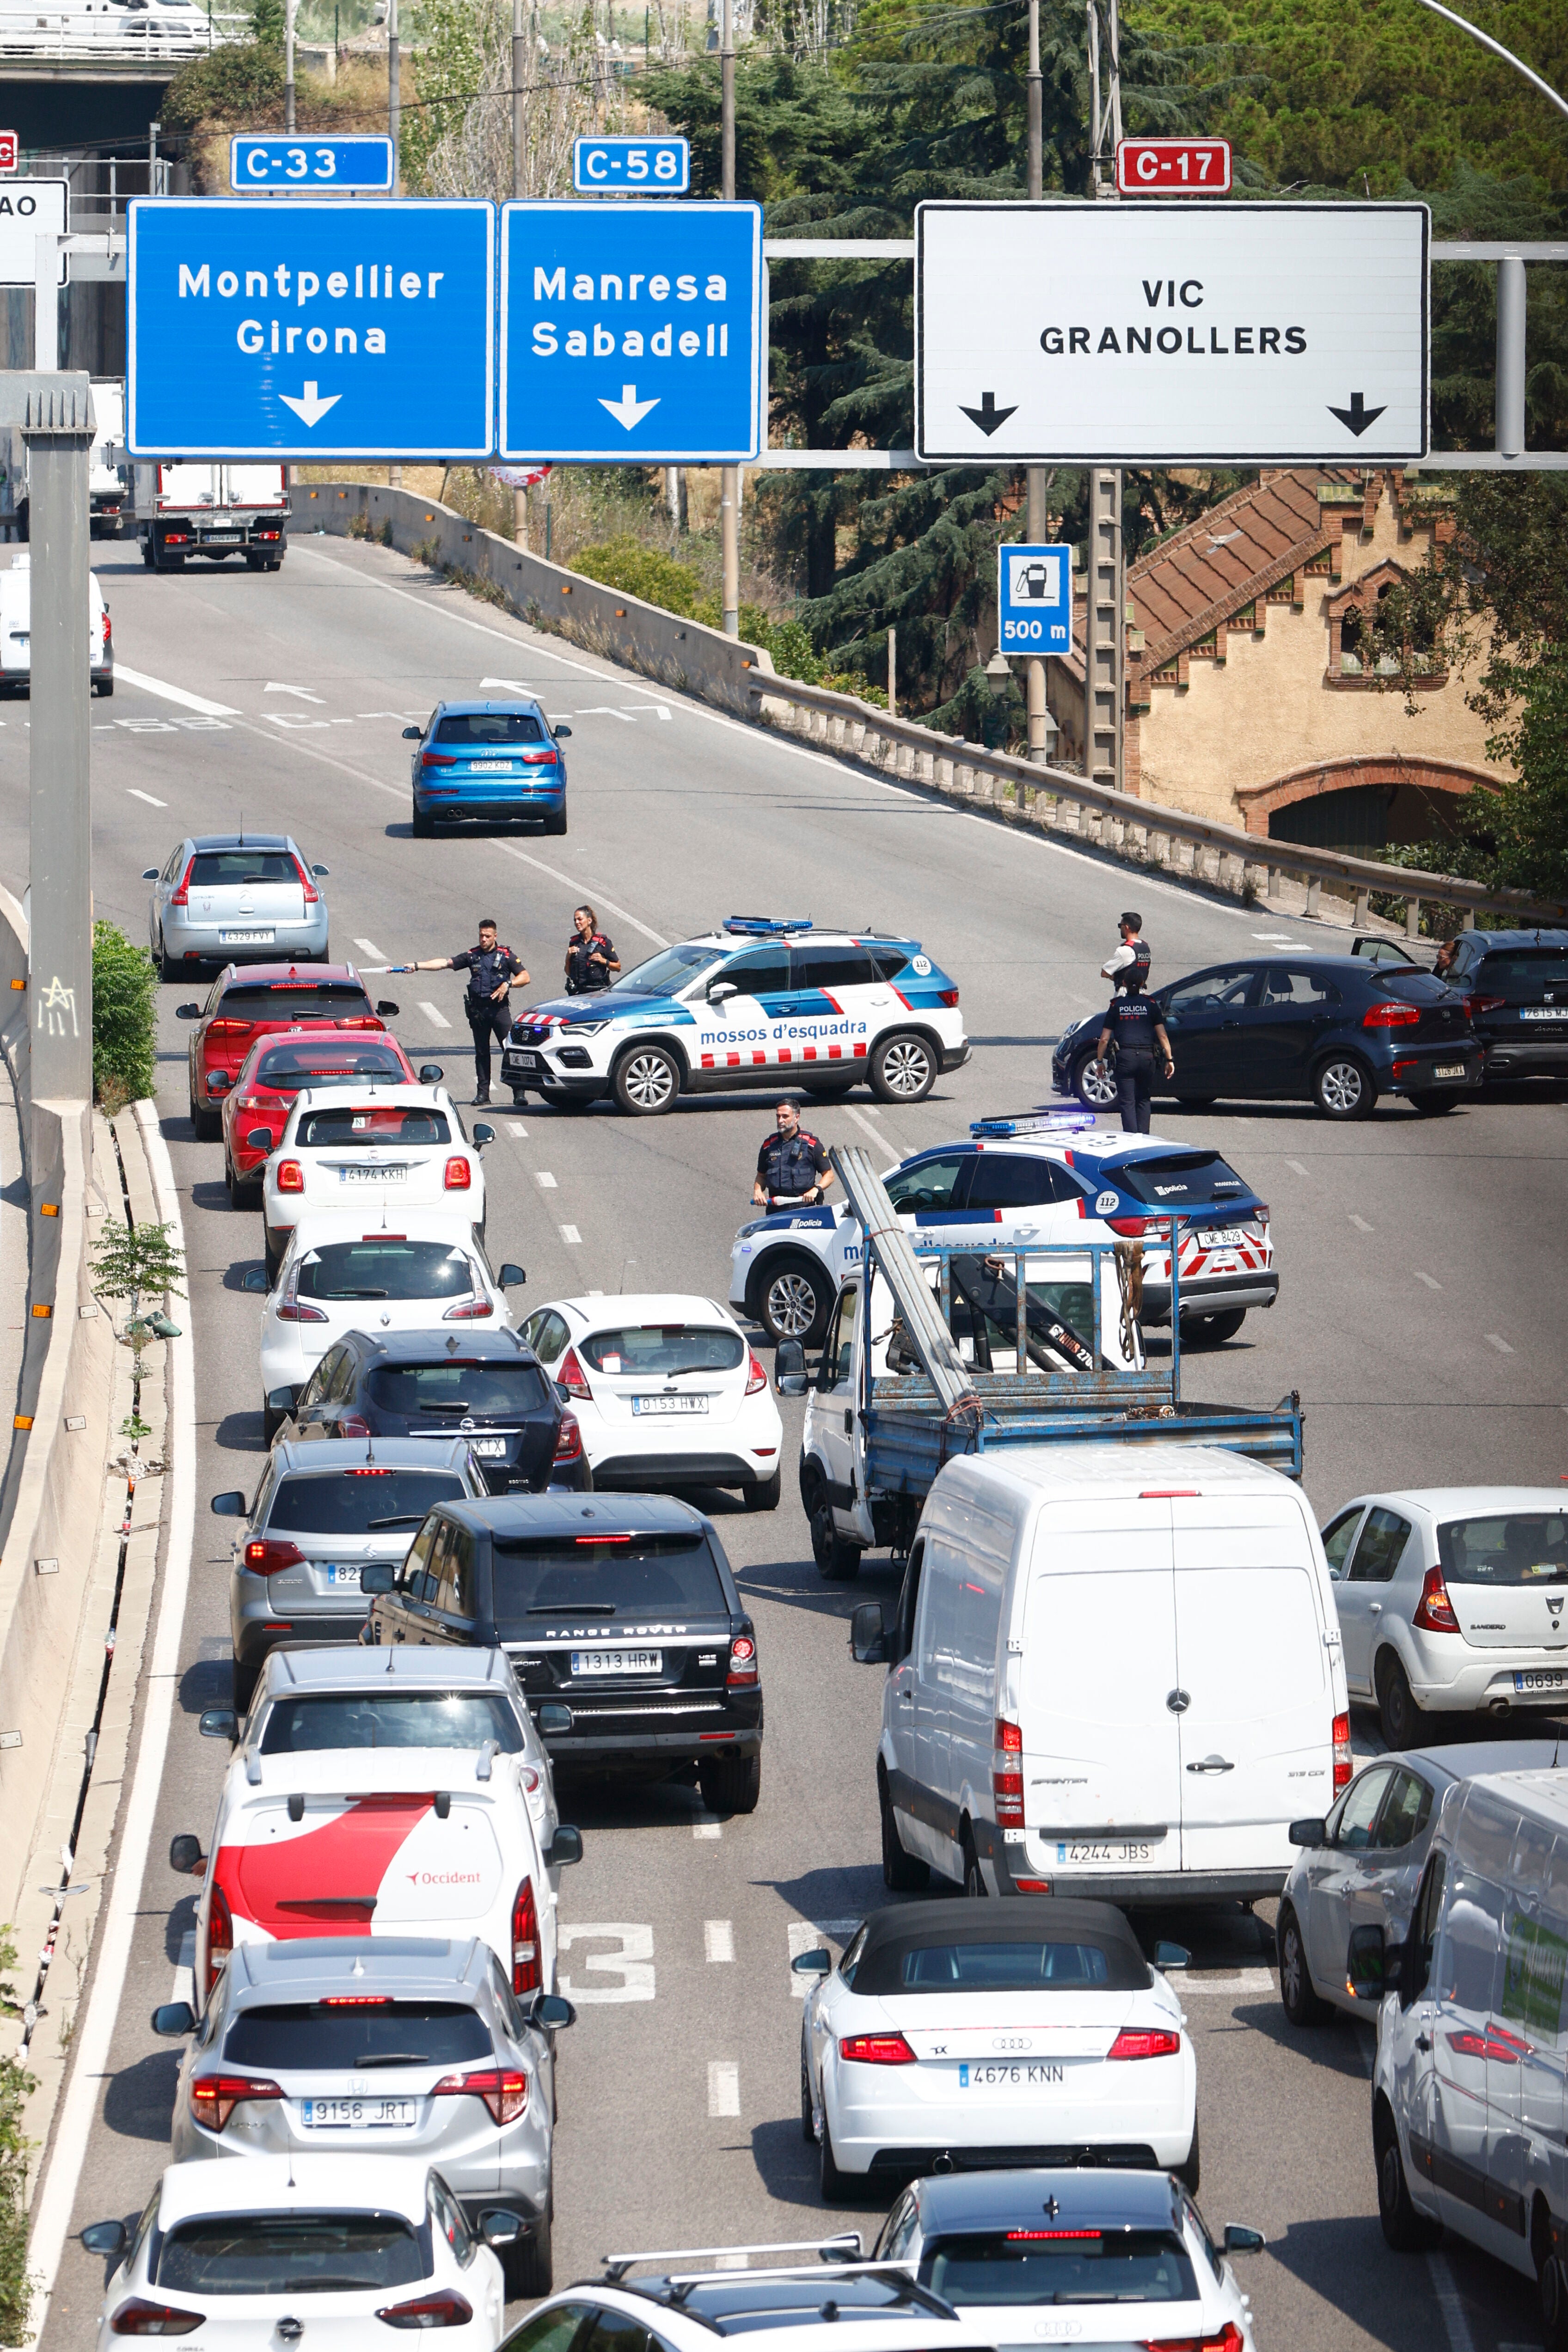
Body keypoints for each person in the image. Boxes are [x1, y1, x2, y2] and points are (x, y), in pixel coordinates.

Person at [401, 921, 529, 1105]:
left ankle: (519, 1093)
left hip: (500, 1011)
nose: (484, 939)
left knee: (510, 1051)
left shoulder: (506, 956)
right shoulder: (473, 956)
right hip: (479, 1012)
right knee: (482, 1053)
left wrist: (508, 984)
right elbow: (445, 963)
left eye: (487, 936)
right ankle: (483, 1094)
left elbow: (525, 977)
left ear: (495, 936)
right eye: (481, 936)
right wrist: (417, 965)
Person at [1092, 970, 1175, 1136]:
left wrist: (1100, 1062)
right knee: (1143, 1098)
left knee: (1127, 1101)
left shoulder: (1117, 1006)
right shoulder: (1151, 1004)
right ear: (1143, 983)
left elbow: (1104, 1039)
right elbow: (1163, 1035)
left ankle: (1130, 1138)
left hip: (1125, 1058)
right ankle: (1144, 1137)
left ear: (1124, 984)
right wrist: (1169, 1059)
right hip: (1147, 1058)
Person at [753, 1099, 834, 1209]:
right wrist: (758, 1191)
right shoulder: (768, 1146)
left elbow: (829, 1175)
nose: (780, 1120)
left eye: (785, 1116)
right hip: (776, 1210)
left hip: (804, 1209)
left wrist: (816, 1189)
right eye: (778, 1116)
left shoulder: (811, 1144)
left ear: (797, 1118)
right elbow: (761, 1176)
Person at [564, 905, 620, 995]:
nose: (577, 922)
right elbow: (568, 972)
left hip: (598, 993)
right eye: (575, 920)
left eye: (580, 919)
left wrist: (604, 961)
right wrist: (568, 957)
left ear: (589, 921)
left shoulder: (603, 942)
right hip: (579, 993)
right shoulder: (574, 943)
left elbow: (618, 967)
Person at [1101, 911, 1151, 993]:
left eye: (1121, 926)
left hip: (1125, 994)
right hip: (1141, 993)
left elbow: (1105, 972)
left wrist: (1115, 977)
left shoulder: (1125, 950)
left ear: (1126, 928)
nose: (1120, 929)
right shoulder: (1145, 948)